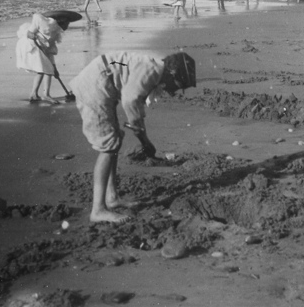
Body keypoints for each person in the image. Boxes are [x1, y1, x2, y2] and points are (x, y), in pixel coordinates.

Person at [69, 51, 196, 223]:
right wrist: (143, 137)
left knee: (114, 141)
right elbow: (130, 100)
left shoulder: (155, 69)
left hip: (101, 84)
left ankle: (112, 197)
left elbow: (135, 100)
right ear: (172, 73)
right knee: (108, 146)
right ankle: (97, 210)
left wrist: (142, 134)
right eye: (178, 85)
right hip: (94, 87)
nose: (174, 92)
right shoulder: (152, 70)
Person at [15, 12, 71, 103]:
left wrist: (55, 68)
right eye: (67, 24)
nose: (67, 26)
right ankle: (46, 95)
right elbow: (30, 32)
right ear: (62, 22)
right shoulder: (46, 23)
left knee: (44, 69)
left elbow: (50, 52)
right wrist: (37, 37)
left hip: (39, 47)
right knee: (46, 69)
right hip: (29, 44)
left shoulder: (56, 33)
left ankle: (33, 94)